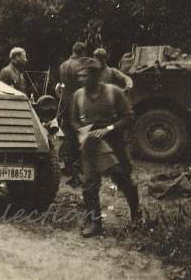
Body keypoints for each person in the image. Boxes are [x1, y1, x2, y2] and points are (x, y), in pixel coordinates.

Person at [71, 57, 141, 237]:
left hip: (115, 143)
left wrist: (107, 129)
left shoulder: (113, 92)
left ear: (96, 76)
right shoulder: (78, 95)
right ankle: (95, 223)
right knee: (89, 185)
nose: (81, 80)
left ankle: (136, 215)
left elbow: (129, 116)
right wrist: (82, 131)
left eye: (85, 76)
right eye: (79, 77)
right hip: (90, 145)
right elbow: (73, 120)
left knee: (123, 179)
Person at [56, 41, 87, 188]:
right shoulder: (82, 66)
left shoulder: (63, 65)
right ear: (82, 53)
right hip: (79, 104)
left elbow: (62, 86)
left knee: (68, 135)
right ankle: (78, 170)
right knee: (80, 135)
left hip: (65, 104)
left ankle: (69, 167)